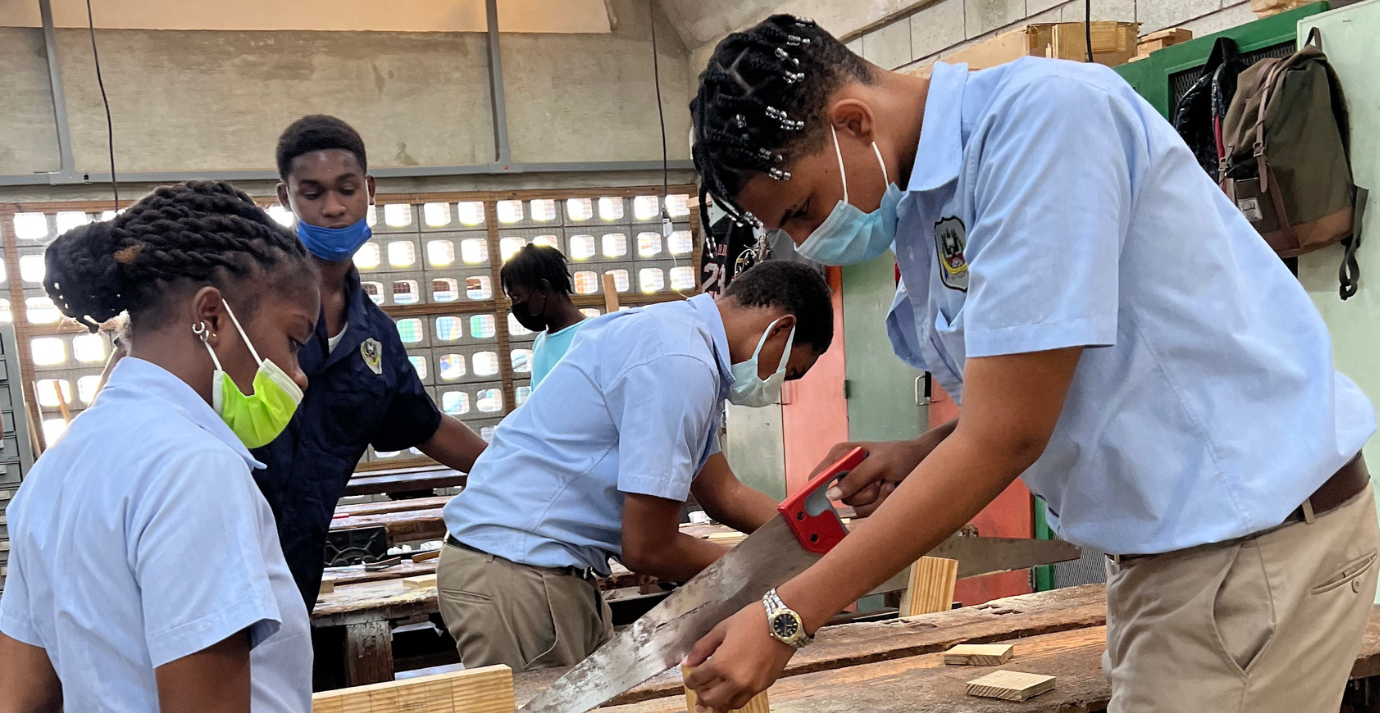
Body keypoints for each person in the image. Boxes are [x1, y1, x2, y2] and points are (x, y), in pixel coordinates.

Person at [681, 15, 1377, 713]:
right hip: (1179, 556)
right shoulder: (929, 206)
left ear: (853, 122)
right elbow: (1030, 388)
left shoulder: (1041, 125)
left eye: (803, 209)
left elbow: (1009, 433)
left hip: (1248, 548)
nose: (806, 239)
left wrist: (787, 613)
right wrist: (924, 451)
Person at [0, 181, 319, 713]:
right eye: (294, 341)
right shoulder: (196, 470)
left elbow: (22, 698)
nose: (299, 376)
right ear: (213, 318)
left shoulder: (58, 465)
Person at [437, 260, 834, 671]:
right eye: (788, 372)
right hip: (517, 570)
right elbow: (648, 549)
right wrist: (770, 582)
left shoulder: (682, 340)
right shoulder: (681, 363)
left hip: (536, 567)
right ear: (780, 330)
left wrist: (822, 544)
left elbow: (724, 493)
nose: (775, 386)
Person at [262, 115, 488, 608]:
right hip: (216, 549)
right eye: (313, 193)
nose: (335, 208)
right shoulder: (245, 302)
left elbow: (423, 424)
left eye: (346, 189)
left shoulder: (376, 336)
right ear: (285, 198)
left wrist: (517, 470)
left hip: (296, 565)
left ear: (369, 189)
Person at [500, 243, 587, 388]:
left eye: (516, 297)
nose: (515, 305)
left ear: (543, 288)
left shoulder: (590, 338)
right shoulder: (540, 343)